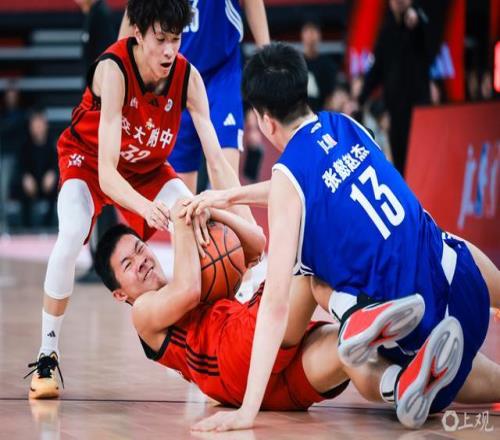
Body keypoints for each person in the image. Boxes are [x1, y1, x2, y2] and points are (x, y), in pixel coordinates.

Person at [182, 43, 500, 431]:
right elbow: (305, 188)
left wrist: (247, 410)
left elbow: (276, 304)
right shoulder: (348, 125)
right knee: (442, 237)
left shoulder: (288, 178)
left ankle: (375, 345)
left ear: (265, 121)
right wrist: (231, 196)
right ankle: (372, 318)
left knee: (323, 297)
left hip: (420, 336)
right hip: (464, 281)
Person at [93, 200, 500, 418]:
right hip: (232, 352)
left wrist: (210, 209)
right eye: (128, 264)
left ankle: (403, 386)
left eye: (140, 249)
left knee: (348, 352)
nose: (141, 261)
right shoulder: (143, 312)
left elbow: (256, 244)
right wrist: (183, 222)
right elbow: (186, 291)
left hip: (262, 381)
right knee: (305, 266)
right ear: (119, 294)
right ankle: (354, 311)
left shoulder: (191, 271)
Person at [26, 0, 243, 400]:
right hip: (90, 161)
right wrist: (146, 209)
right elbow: (108, 175)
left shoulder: (188, 77)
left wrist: (238, 211)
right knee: (71, 234)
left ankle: (222, 329)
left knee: (200, 222)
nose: (169, 50)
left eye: (175, 40)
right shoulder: (113, 70)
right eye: (160, 40)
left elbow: (217, 160)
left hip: (145, 167)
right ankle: (47, 355)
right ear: (138, 34)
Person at [119, 0, 270, 194]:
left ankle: (227, 213)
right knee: (182, 193)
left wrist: (267, 56)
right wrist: (120, 71)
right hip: (175, 75)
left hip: (222, 71)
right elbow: (133, 13)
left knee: (224, 167)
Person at [358, 0, 434, 175]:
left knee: (421, 162)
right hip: (395, 112)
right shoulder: (386, 31)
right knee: (400, 163)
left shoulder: (419, 23)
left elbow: (429, 41)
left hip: (420, 111)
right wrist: (360, 99)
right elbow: (376, 71)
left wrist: (417, 16)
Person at [74, 0, 120, 283]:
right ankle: (102, 261)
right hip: (95, 114)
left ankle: (105, 261)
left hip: (101, 116)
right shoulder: (91, 16)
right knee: (100, 192)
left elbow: (107, 69)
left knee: (102, 192)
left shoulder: (100, 16)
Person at [18, 107, 58, 228]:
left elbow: (58, 164)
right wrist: (25, 177)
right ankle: (26, 229)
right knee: (22, 191)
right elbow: (21, 167)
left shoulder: (53, 144)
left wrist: (53, 173)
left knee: (57, 188)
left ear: (46, 124)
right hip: (31, 186)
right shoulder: (24, 145)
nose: (38, 126)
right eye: (35, 123)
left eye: (40, 122)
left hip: (48, 186)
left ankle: (49, 228)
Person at [301, 20, 337, 112]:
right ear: (302, 35)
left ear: (319, 35)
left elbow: (330, 95)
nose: (310, 36)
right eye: (307, 31)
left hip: (320, 112)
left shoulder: (327, 64)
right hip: (299, 113)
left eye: (313, 32)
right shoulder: (296, 63)